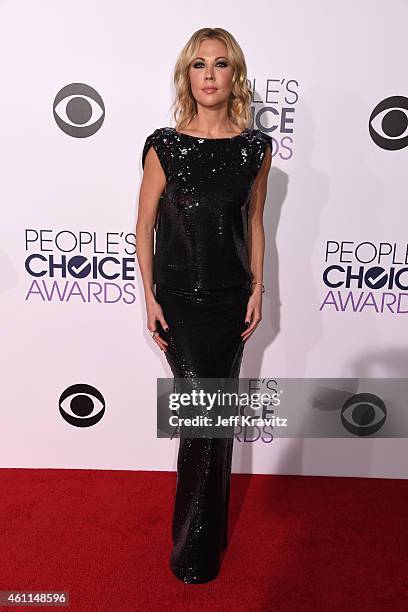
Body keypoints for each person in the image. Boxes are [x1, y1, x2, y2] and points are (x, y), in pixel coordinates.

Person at [136, 27, 272, 584]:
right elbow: (142, 225)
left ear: (233, 74)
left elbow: (255, 222)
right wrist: (147, 296)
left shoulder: (255, 149)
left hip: (230, 299)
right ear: (186, 76)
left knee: (215, 422)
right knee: (202, 417)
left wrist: (260, 287)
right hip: (179, 303)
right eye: (199, 65)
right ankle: (193, 547)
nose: (209, 74)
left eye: (220, 64)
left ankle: (205, 534)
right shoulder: (165, 145)